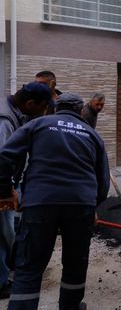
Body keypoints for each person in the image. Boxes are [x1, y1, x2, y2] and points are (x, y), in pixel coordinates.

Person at [0, 93, 110, 309]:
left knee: (30, 265)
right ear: (80, 110)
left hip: (40, 203)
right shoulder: (92, 134)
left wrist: (5, 190)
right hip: (80, 205)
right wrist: (93, 206)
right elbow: (103, 181)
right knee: (75, 263)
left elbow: (4, 156)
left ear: (55, 108)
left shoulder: (38, 124)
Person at [0, 82, 53, 299]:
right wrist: (5, 190)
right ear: (30, 103)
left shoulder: (15, 110)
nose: (43, 112)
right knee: (3, 234)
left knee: (8, 229)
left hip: (11, 181)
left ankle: (7, 269)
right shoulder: (4, 121)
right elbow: (1, 159)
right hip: (2, 183)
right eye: (42, 108)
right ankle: (1, 283)